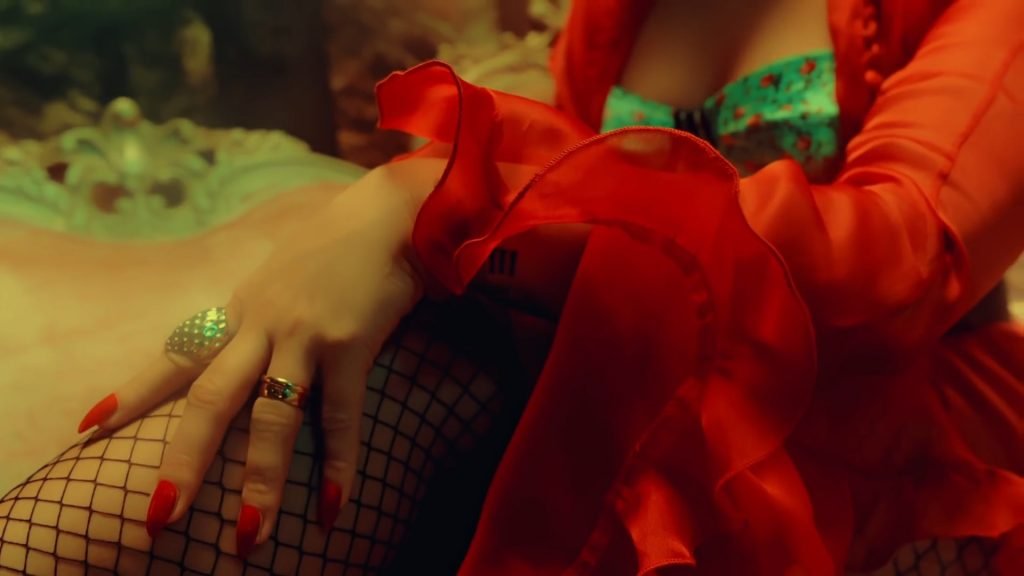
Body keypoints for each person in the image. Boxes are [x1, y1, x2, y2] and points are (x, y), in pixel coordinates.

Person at [4, 0, 1024, 573]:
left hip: (891, 437)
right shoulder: (613, 11)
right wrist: (399, 219)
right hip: (632, 376)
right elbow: (570, 173)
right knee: (366, 359)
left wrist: (435, 212)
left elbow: (893, 266)